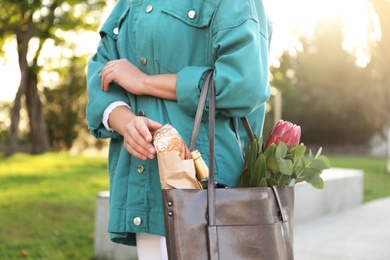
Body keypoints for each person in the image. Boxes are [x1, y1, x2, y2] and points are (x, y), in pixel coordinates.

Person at [86, 0, 272, 259]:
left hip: (210, 192)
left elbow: (244, 84)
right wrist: (127, 122)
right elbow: (102, 72)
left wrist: (145, 82)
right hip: (147, 189)